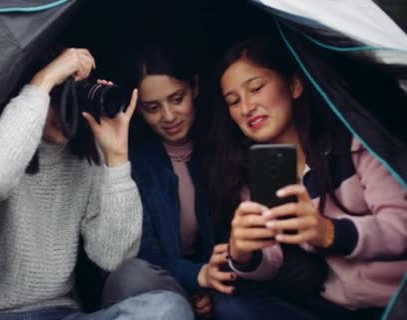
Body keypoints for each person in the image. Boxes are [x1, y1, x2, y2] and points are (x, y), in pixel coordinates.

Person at [0, 47, 194, 320]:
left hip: (58, 312)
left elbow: (113, 257)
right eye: (56, 97)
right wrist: (45, 79)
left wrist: (116, 157)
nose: (64, 110)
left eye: (72, 97)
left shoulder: (87, 158)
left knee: (167, 308)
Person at [101, 42, 323, 320]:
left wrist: (216, 277)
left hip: (227, 280)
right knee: (131, 275)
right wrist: (196, 278)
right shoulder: (134, 162)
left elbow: (252, 244)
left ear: (194, 88)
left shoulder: (225, 145)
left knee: (298, 270)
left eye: (177, 98)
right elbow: (142, 253)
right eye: (152, 107)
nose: (168, 116)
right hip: (164, 287)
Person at [205, 37, 407, 319]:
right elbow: (271, 260)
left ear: (294, 86)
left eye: (256, 88)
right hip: (333, 304)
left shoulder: (352, 144)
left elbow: (400, 227)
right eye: (233, 101)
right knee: (233, 307)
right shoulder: (268, 167)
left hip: (393, 301)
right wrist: (242, 253)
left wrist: (329, 232)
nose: (246, 107)